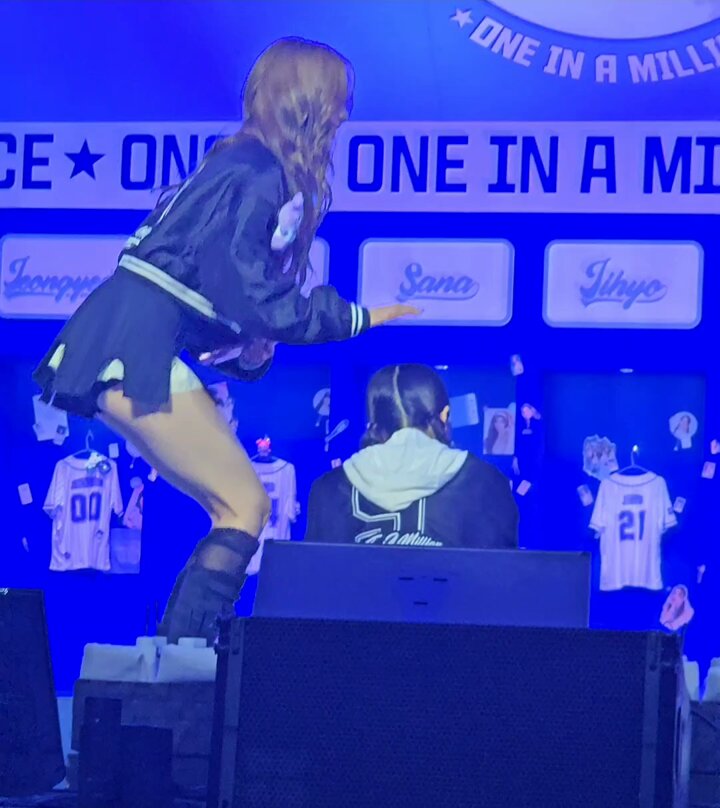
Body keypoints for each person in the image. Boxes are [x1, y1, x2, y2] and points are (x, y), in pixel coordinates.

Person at [33, 38, 418, 642]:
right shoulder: (259, 172)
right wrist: (352, 318)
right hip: (134, 344)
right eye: (337, 101)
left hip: (128, 336)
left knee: (235, 506)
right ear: (306, 102)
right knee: (245, 504)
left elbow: (218, 290)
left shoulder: (242, 163)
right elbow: (251, 293)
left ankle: (178, 659)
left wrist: (249, 343)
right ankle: (182, 663)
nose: (344, 115)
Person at [305, 364, 519, 548]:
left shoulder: (328, 488)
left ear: (373, 425)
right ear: (445, 415)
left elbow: (312, 576)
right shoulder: (486, 482)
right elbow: (503, 576)